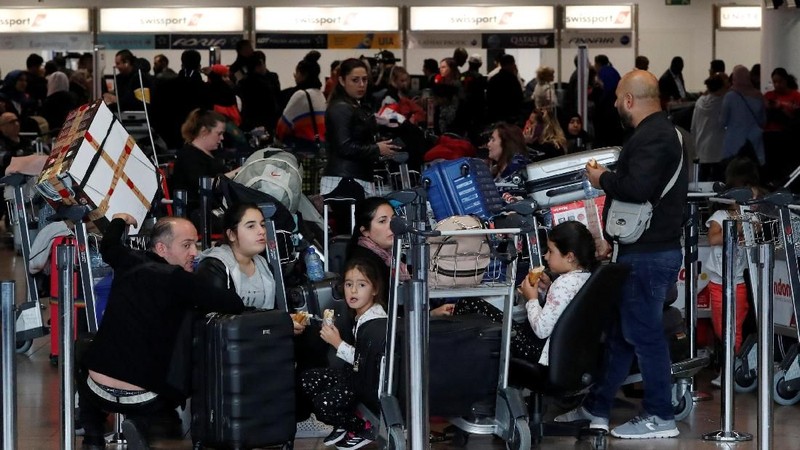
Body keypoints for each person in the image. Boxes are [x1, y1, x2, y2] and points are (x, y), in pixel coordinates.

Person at [558, 69, 687, 439]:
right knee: (620, 334)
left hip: (648, 255)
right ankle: (596, 405)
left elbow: (637, 188)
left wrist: (602, 179)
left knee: (644, 336)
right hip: (642, 250)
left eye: (617, 97)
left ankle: (660, 415)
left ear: (629, 100)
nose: (614, 103)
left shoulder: (655, 136)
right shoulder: (664, 133)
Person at [79, 214, 245, 450]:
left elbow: (109, 245)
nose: (195, 253)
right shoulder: (182, 281)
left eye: (195, 244)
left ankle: (93, 435)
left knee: (84, 347)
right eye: (186, 245)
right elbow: (233, 304)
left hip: (96, 388)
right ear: (161, 248)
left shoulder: (128, 260)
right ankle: (142, 424)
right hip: (146, 397)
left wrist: (119, 220)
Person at [455, 221, 597, 364]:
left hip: (537, 350)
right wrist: (547, 288)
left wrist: (531, 299)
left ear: (570, 257)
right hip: (561, 352)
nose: (546, 256)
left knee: (468, 302)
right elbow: (560, 310)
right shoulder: (585, 279)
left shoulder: (564, 283)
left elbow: (541, 330)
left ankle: (457, 359)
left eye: (551, 251)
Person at [300, 257, 388, 450]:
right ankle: (345, 420)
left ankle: (363, 428)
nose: (353, 290)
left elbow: (365, 362)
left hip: (366, 383)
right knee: (307, 379)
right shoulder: (360, 314)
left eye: (362, 285)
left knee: (323, 404)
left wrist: (337, 343)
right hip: (354, 376)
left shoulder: (376, 320)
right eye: (349, 284)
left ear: (374, 289)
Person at [700, 157, 761, 387]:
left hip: (738, 281)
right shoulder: (720, 217)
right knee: (721, 327)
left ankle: (730, 370)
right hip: (718, 281)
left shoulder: (753, 217)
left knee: (734, 327)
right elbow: (714, 238)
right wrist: (740, 226)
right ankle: (731, 365)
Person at [346, 197, 453, 317]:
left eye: (393, 220)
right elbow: (385, 310)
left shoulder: (389, 256)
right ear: (365, 231)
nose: (393, 226)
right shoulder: (363, 264)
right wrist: (430, 314)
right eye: (382, 221)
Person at [321, 58, 398, 198]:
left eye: (365, 79)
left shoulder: (352, 106)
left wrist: (378, 147)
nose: (361, 85)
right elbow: (344, 147)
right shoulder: (341, 108)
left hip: (351, 178)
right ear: (342, 80)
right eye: (355, 80)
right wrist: (377, 148)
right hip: (344, 181)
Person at [195, 203, 279, 312]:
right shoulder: (214, 266)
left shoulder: (265, 266)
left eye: (262, 225)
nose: (262, 231)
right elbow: (216, 315)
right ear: (231, 235)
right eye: (251, 226)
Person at [171, 109, 237, 224]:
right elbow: (203, 185)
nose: (222, 138)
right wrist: (236, 173)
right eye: (219, 133)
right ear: (204, 131)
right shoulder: (188, 156)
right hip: (198, 214)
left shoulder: (213, 155)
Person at [276, 52, 327, 153]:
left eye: (297, 72)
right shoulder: (320, 94)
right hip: (321, 146)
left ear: (304, 75)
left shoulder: (301, 95)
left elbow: (282, 126)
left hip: (304, 148)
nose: (295, 76)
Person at [720, 65, 765, 167]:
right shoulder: (758, 95)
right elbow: (763, 120)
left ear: (735, 79)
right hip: (755, 141)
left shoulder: (730, 96)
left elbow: (722, 121)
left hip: (734, 142)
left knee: (734, 169)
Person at [763, 67, 800, 183]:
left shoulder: (795, 96)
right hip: (770, 134)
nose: (777, 85)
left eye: (780, 81)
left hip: (788, 136)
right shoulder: (769, 95)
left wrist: (781, 108)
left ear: (785, 80)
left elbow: (796, 117)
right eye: (774, 82)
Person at [691, 73, 730, 181]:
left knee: (702, 179)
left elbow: (693, 126)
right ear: (721, 88)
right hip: (718, 148)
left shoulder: (699, 102)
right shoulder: (723, 103)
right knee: (719, 180)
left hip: (701, 146)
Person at [486, 54, 523, 125]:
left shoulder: (493, 79)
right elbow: (519, 97)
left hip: (495, 116)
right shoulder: (512, 80)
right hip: (510, 118)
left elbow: (489, 98)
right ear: (509, 65)